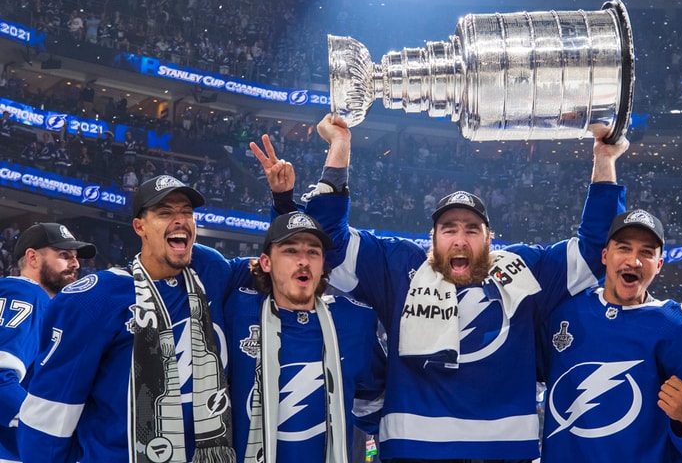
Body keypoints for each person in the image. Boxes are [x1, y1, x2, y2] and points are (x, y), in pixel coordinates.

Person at [302, 113, 626, 461]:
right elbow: (328, 245)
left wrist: (604, 160)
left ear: (489, 240)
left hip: (503, 452)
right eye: (449, 229)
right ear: (433, 240)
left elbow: (594, 252)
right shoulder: (400, 268)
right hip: (415, 451)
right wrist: (340, 147)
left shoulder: (524, 271)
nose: (460, 239)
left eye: (472, 230)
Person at [18, 175, 237, 462]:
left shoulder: (213, 275)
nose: (180, 220)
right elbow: (49, 414)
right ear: (139, 226)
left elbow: (290, 260)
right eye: (165, 213)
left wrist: (286, 200)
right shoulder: (95, 298)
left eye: (187, 212)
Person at [536, 210, 682, 462]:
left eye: (647, 253)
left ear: (659, 265)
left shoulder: (680, 327)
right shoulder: (563, 312)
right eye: (624, 248)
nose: (634, 261)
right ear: (605, 256)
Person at [219, 209, 379, 462]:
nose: (303, 261)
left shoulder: (355, 321)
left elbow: (376, 397)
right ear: (265, 263)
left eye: (313, 252)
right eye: (290, 251)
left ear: (323, 265)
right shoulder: (237, 308)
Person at [0, 223, 95, 462]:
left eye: (75, 257)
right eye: (64, 256)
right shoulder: (25, 293)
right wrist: (49, 433)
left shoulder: (41, 302)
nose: (75, 264)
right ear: (32, 257)